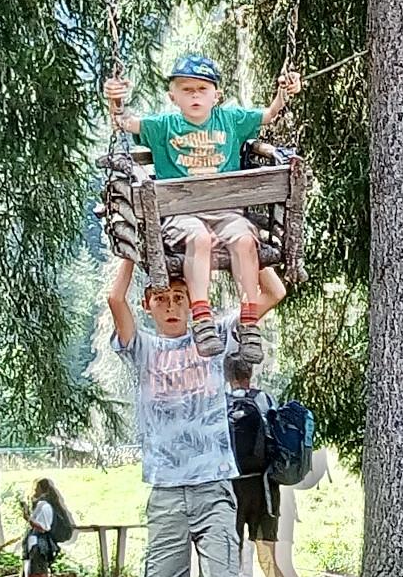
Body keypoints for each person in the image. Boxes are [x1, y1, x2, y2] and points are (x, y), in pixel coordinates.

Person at [105, 253, 268, 577]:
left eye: (180, 297)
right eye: (163, 300)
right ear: (150, 305)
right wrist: (132, 255)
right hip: (166, 492)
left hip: (214, 484)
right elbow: (114, 298)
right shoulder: (145, 349)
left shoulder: (210, 336)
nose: (173, 306)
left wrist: (242, 251)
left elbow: (270, 294)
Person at [104, 55, 301, 364]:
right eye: (186, 89)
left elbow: (269, 115)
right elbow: (124, 123)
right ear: (173, 95)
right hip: (181, 214)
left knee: (244, 240)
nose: (195, 95)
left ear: (216, 94)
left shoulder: (231, 119)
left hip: (226, 212)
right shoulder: (162, 126)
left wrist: (284, 95)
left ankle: (249, 321)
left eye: (202, 89)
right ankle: (202, 315)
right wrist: (116, 102)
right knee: (199, 238)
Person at [226, 360, 306, 577]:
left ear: (228, 377)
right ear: (250, 375)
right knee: (268, 555)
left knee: (230, 552)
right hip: (264, 488)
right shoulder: (264, 399)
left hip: (233, 488)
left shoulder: (222, 403)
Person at [20, 477, 64, 577]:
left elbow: (44, 528)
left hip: (39, 546)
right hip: (33, 545)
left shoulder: (44, 506)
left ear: (41, 490)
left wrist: (28, 518)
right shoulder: (40, 505)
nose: (33, 491)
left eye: (35, 488)